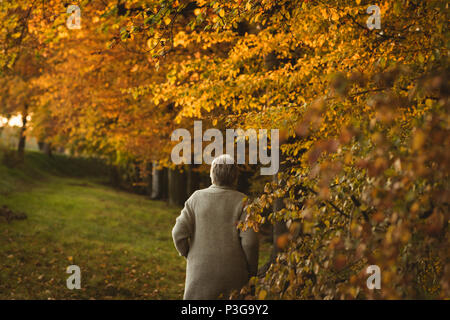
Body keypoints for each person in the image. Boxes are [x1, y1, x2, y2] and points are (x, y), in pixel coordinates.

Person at [172, 154, 259, 299]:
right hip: (235, 276)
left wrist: (189, 254)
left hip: (199, 275)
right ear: (235, 176)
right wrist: (251, 272)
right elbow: (251, 243)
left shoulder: (196, 198)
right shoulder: (244, 202)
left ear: (212, 174)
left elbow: (178, 233)